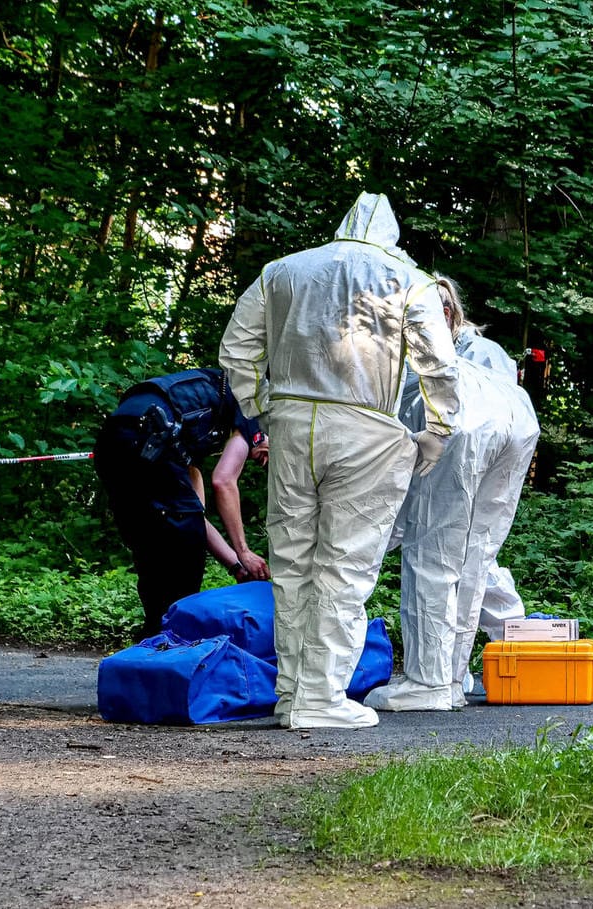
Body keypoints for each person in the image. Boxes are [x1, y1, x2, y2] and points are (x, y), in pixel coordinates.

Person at [219, 192, 460, 730]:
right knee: (345, 564)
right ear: (391, 235)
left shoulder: (282, 271)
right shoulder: (408, 279)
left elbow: (236, 350)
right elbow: (440, 365)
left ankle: (290, 692)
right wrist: (437, 432)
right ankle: (322, 697)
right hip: (365, 427)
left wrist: (259, 412)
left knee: (291, 560)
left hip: (288, 422)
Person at [365, 276, 540, 711]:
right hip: (514, 425)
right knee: (471, 554)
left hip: (459, 429)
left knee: (435, 550)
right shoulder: (450, 356)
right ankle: (452, 673)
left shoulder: (454, 355)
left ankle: (431, 680)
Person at [93, 367, 271, 642]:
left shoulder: (193, 430)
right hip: (149, 434)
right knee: (183, 554)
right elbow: (223, 481)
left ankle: (153, 642)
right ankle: (174, 642)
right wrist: (244, 551)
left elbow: (195, 516)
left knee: (153, 544)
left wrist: (236, 566)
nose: (264, 462)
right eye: (270, 455)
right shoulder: (252, 409)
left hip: (115, 440)